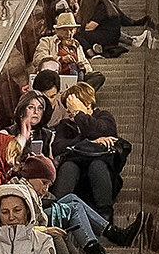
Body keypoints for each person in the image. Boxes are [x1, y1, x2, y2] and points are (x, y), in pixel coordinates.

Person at [54, 80, 139, 230]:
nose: (70, 115)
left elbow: (100, 131)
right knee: (68, 166)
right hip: (77, 181)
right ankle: (60, 213)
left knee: (97, 165)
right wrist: (90, 141)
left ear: (87, 105)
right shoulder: (66, 124)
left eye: (72, 110)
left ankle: (105, 217)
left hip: (102, 179)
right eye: (69, 111)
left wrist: (79, 115)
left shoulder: (104, 117)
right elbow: (58, 147)